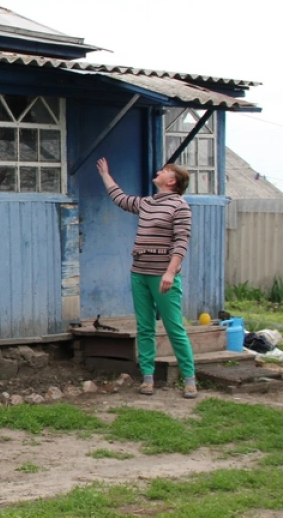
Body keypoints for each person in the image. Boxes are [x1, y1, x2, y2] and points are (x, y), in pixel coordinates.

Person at [95, 157, 197, 398]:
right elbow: (120, 199)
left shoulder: (180, 206)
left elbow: (181, 241)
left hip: (163, 276)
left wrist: (170, 272)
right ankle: (147, 378)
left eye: (164, 171)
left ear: (171, 181)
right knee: (145, 327)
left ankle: (190, 379)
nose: (159, 171)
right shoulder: (148, 203)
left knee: (174, 327)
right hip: (139, 272)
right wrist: (105, 175)